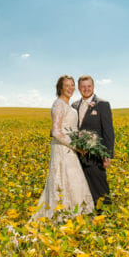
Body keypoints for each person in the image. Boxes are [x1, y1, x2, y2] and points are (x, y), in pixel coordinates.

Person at [31, 75, 94, 221]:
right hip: (62, 148)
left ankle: (74, 214)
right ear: (60, 88)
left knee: (73, 180)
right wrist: (77, 146)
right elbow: (56, 131)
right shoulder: (58, 104)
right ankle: (62, 215)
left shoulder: (68, 106)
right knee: (63, 179)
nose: (70, 88)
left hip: (69, 148)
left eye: (72, 85)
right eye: (67, 85)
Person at [72, 75, 115, 211]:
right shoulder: (74, 106)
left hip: (96, 154)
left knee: (99, 185)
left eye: (89, 86)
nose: (86, 89)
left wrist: (107, 155)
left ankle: (106, 214)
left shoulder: (102, 104)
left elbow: (108, 131)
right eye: (83, 87)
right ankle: (88, 213)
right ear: (79, 88)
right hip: (78, 154)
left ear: (93, 87)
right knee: (82, 186)